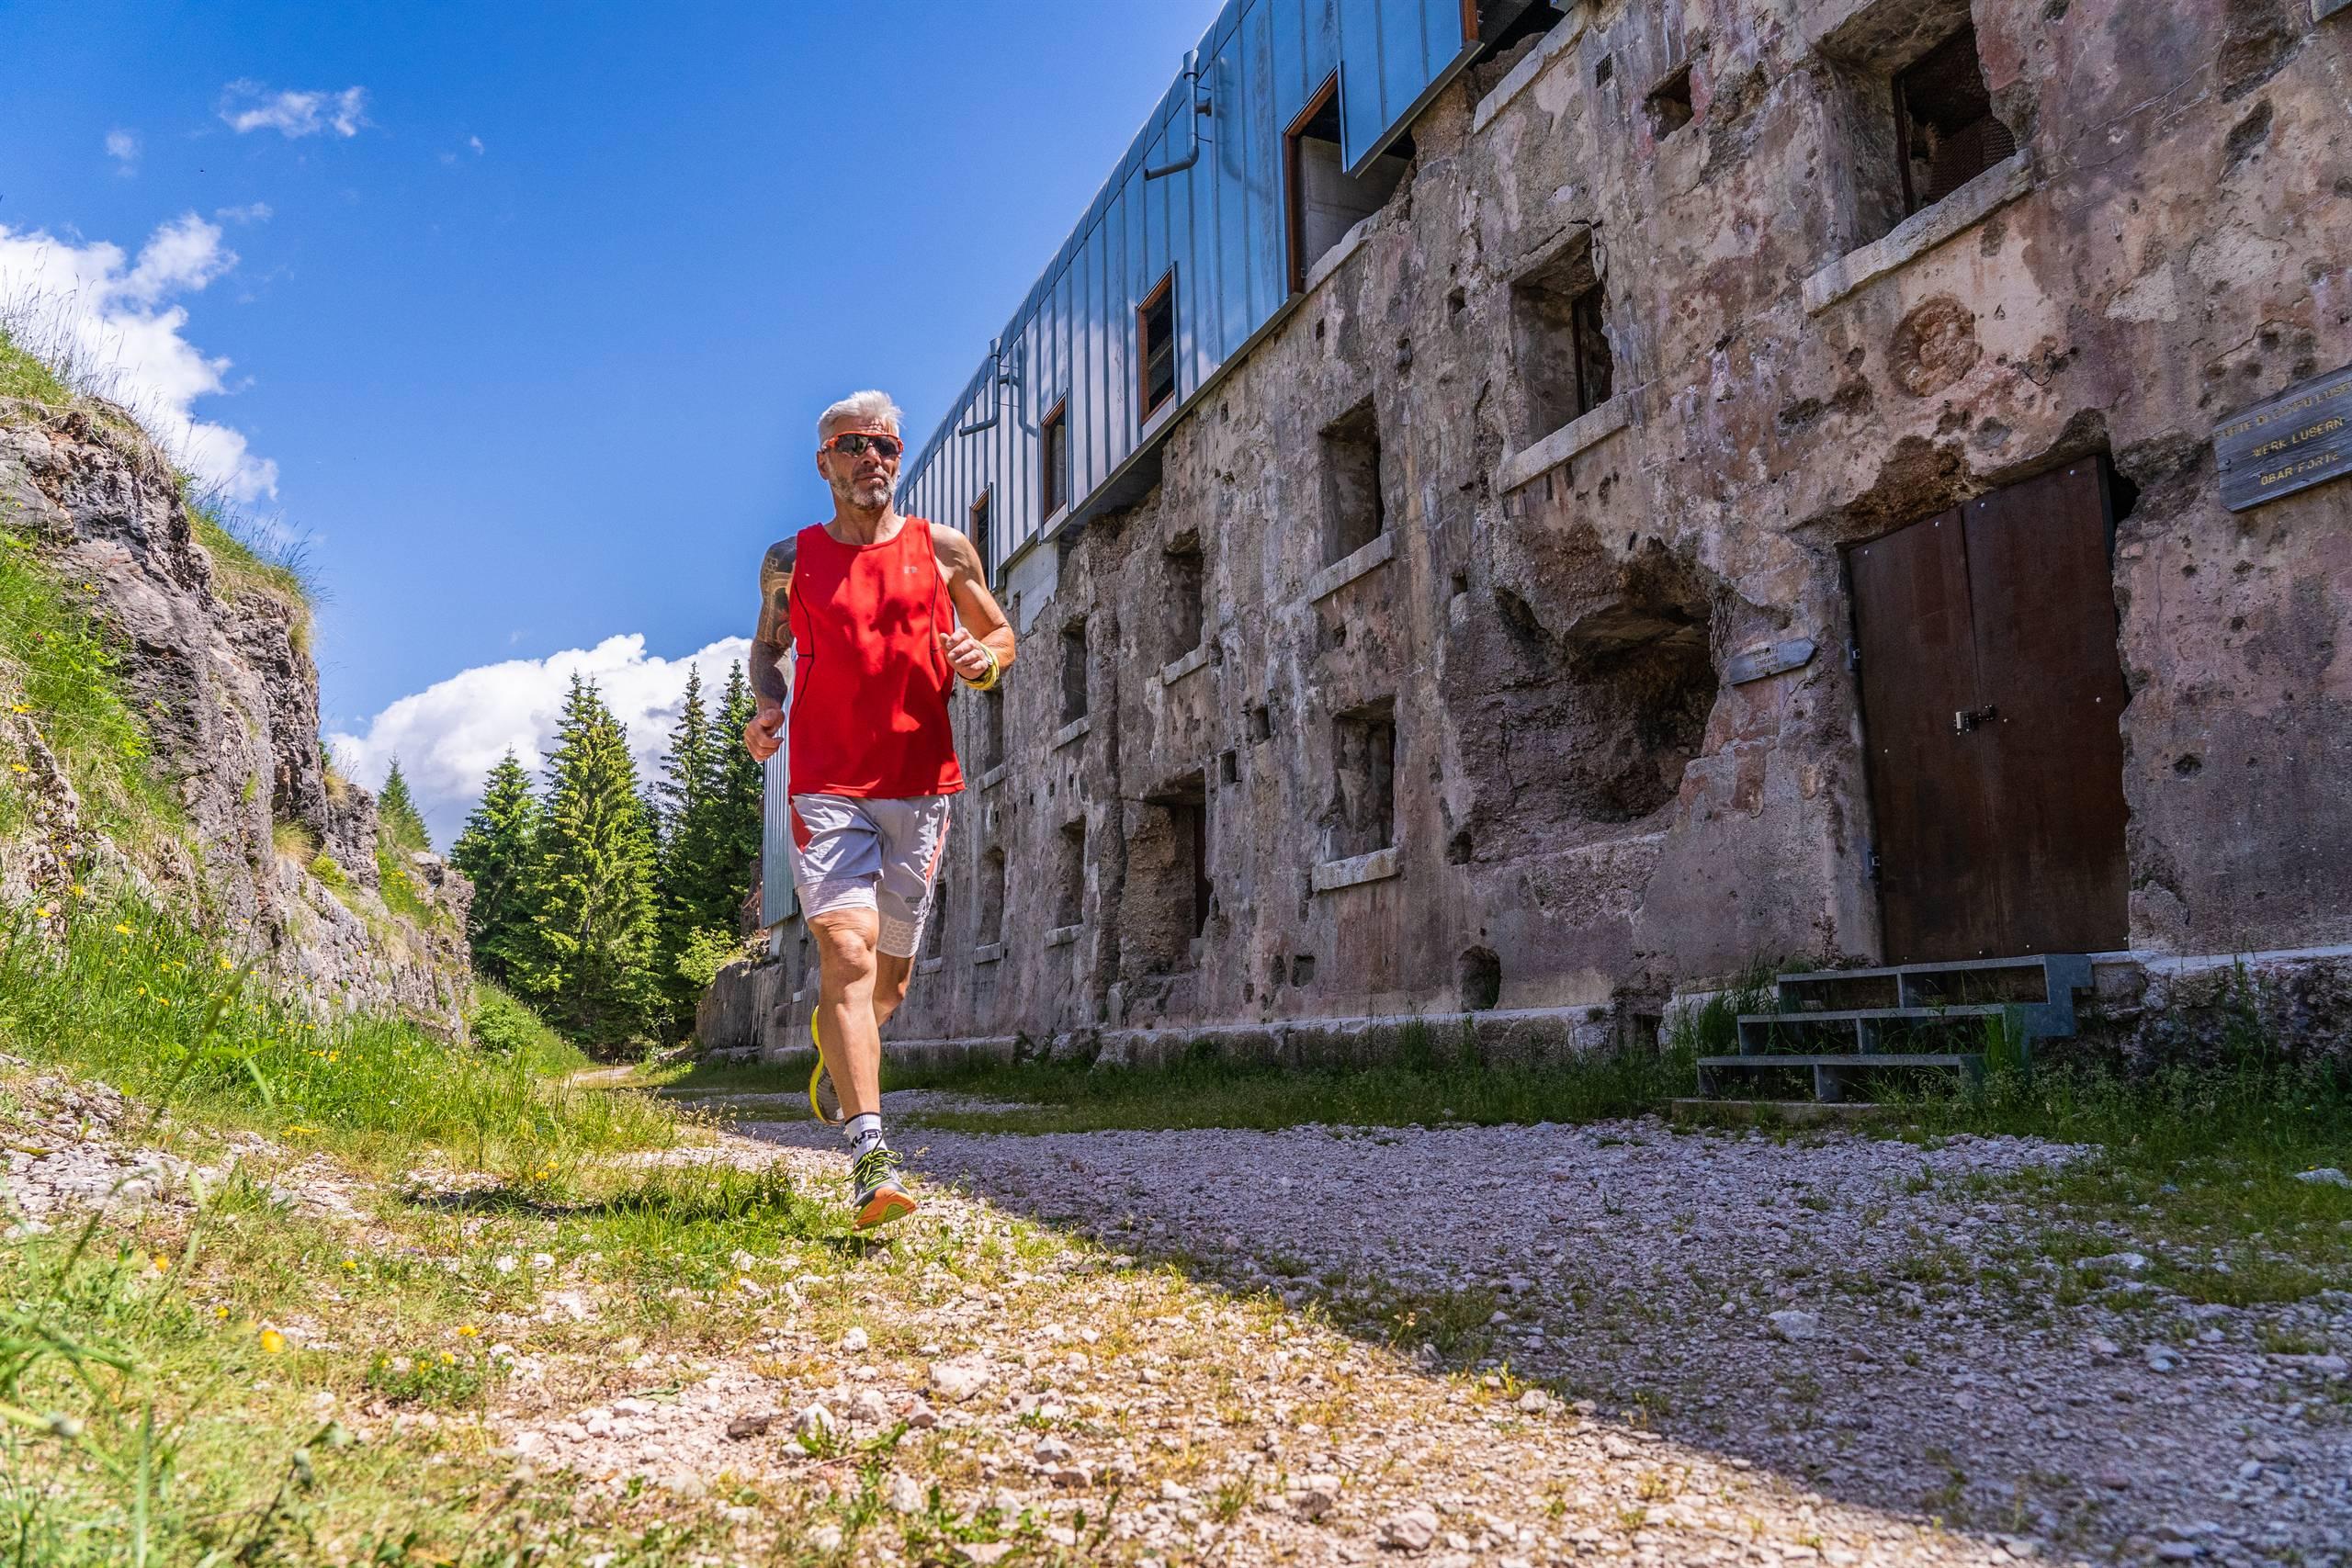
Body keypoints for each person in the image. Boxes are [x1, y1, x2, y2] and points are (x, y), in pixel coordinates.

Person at [743, 389, 1016, 1229]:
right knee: (847, 952)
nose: (873, 459)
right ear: (824, 461)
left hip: (921, 787)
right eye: (855, 445)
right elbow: (767, 647)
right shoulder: (791, 559)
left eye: (887, 446)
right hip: (826, 786)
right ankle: (870, 1154)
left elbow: (1000, 636)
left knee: (886, 986)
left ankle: (837, 1047)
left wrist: (982, 661)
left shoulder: (943, 549)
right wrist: (767, 707)